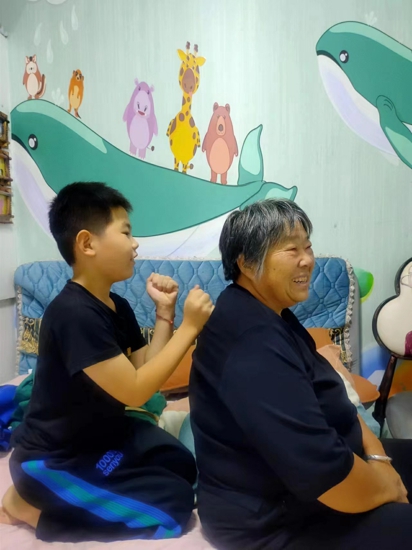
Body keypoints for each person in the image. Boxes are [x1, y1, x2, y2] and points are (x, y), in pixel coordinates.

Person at [189, 198, 412, 550]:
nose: (307, 259)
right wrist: (388, 487)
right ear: (246, 262)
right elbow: (323, 474)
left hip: (324, 479)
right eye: (291, 249)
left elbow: (336, 404)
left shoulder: (273, 315)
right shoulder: (251, 341)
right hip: (274, 522)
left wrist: (379, 458)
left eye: (307, 246)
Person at [0, 182, 214, 543]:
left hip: (105, 439)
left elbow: (143, 370)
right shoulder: (72, 314)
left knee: (182, 467)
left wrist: (165, 314)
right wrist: (190, 328)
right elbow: (135, 392)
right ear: (87, 243)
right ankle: (27, 508)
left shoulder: (117, 306)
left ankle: (89, 491)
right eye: (126, 232)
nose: (135, 243)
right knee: (174, 506)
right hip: (56, 459)